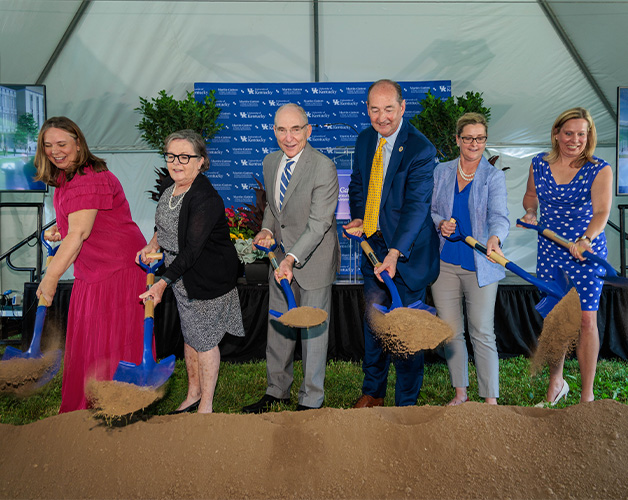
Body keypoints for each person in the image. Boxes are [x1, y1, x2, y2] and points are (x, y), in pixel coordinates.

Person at [34, 116, 147, 413]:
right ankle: (84, 411)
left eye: (62, 144)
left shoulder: (87, 177)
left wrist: (50, 278)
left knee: (110, 345)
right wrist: (62, 228)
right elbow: (80, 225)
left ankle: (114, 409)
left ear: (78, 142)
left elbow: (81, 232)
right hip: (92, 269)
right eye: (48, 146)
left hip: (117, 269)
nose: (56, 151)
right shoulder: (67, 177)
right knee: (89, 342)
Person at [344, 79, 440, 407]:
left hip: (407, 254)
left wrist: (396, 252)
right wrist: (359, 219)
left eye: (388, 108)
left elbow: (416, 206)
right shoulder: (364, 140)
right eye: (374, 109)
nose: (381, 116)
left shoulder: (421, 149)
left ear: (402, 107)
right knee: (375, 325)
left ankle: (406, 404)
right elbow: (358, 185)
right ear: (367, 109)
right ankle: (373, 392)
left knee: (405, 332)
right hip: (373, 249)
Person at [137, 129, 245, 414]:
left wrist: (161, 284)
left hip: (207, 277)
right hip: (181, 278)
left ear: (201, 161)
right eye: (171, 156)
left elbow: (192, 251)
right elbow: (164, 226)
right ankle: (193, 393)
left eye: (185, 156)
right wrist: (151, 245)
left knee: (205, 340)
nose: (177, 162)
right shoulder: (170, 189)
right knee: (191, 337)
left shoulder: (204, 198)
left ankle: (206, 406)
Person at [242, 103, 339, 413]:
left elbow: (320, 223)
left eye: (295, 129)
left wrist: (292, 258)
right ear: (274, 132)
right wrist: (267, 231)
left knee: (313, 332)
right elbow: (274, 207)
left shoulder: (323, 166)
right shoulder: (270, 162)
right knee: (279, 326)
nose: (289, 136)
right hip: (279, 260)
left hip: (313, 261)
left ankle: (311, 399)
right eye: (281, 129)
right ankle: (276, 391)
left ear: (307, 130)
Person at [520, 107, 612, 405]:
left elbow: (601, 212)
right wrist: (531, 212)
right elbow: (531, 197)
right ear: (556, 134)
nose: (575, 140)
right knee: (557, 320)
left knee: (585, 320)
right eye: (569, 133)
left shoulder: (599, 168)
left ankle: (587, 397)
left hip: (585, 252)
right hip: (550, 251)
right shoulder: (538, 164)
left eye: (581, 134)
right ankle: (556, 383)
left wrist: (585, 239)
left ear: (589, 136)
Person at [431, 112, 510, 406]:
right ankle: (460, 394)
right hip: (445, 265)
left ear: (485, 140)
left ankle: (490, 400)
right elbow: (430, 211)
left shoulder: (494, 177)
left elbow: (500, 218)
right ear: (457, 140)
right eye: (468, 138)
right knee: (451, 332)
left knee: (482, 331)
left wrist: (495, 238)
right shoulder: (441, 172)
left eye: (480, 138)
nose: (474, 144)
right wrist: (441, 223)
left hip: (481, 265)